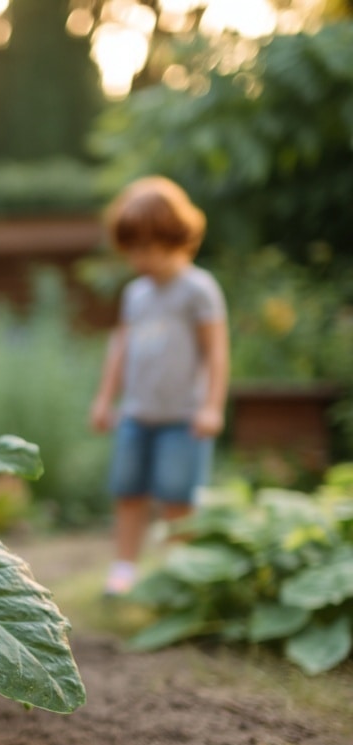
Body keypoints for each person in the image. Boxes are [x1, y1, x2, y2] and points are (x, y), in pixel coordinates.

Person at [89, 176, 230, 596]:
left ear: (176, 239)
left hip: (183, 418)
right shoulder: (135, 294)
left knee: (177, 499)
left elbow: (216, 352)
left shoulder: (198, 289)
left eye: (147, 248)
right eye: (131, 249)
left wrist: (212, 406)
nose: (138, 258)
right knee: (128, 492)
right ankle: (125, 568)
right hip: (137, 413)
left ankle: (179, 573)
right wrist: (104, 399)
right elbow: (120, 348)